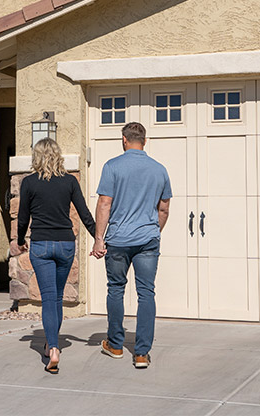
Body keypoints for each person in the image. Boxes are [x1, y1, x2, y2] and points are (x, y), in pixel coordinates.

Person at [91, 122, 171, 369]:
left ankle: (115, 345)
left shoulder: (112, 166)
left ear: (124, 140)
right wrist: (152, 231)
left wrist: (99, 238)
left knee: (116, 288)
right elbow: (164, 208)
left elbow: (105, 203)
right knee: (146, 292)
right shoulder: (159, 169)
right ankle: (141, 353)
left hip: (117, 240)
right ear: (144, 141)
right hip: (147, 239)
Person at [16, 138, 97, 374]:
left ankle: (53, 348)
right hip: (65, 245)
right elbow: (84, 214)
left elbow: (23, 217)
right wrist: (98, 237)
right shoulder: (70, 181)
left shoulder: (29, 183)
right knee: (57, 297)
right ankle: (53, 342)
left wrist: (20, 241)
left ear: (36, 157)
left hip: (41, 244)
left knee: (49, 298)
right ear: (58, 155)